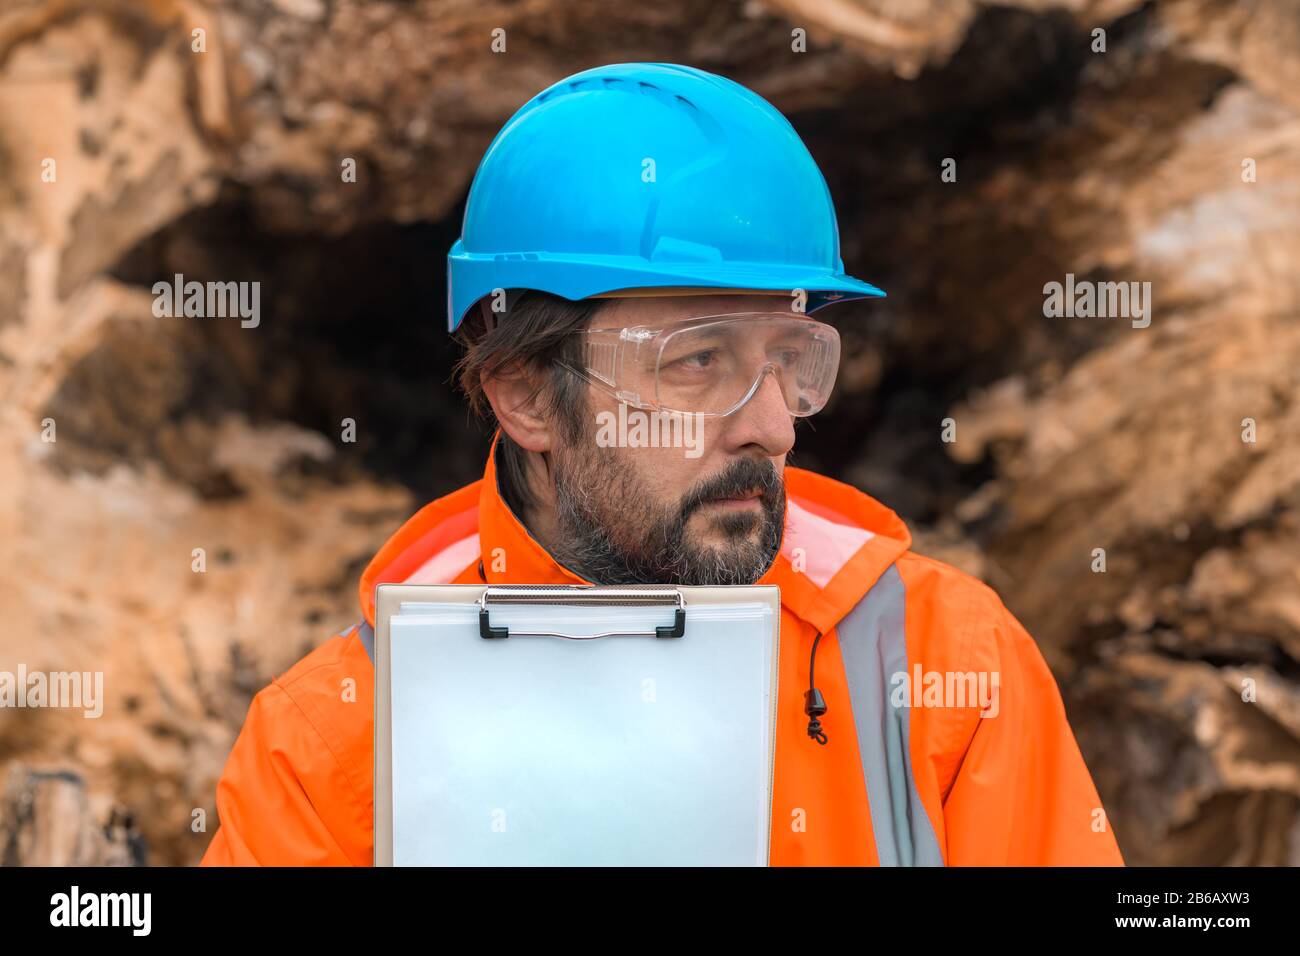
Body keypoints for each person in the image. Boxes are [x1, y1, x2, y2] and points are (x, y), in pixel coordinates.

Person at [200, 62, 1123, 866]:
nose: (773, 428)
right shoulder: (334, 746)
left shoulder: (942, 669)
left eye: (789, 360)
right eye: (698, 360)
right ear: (525, 395)